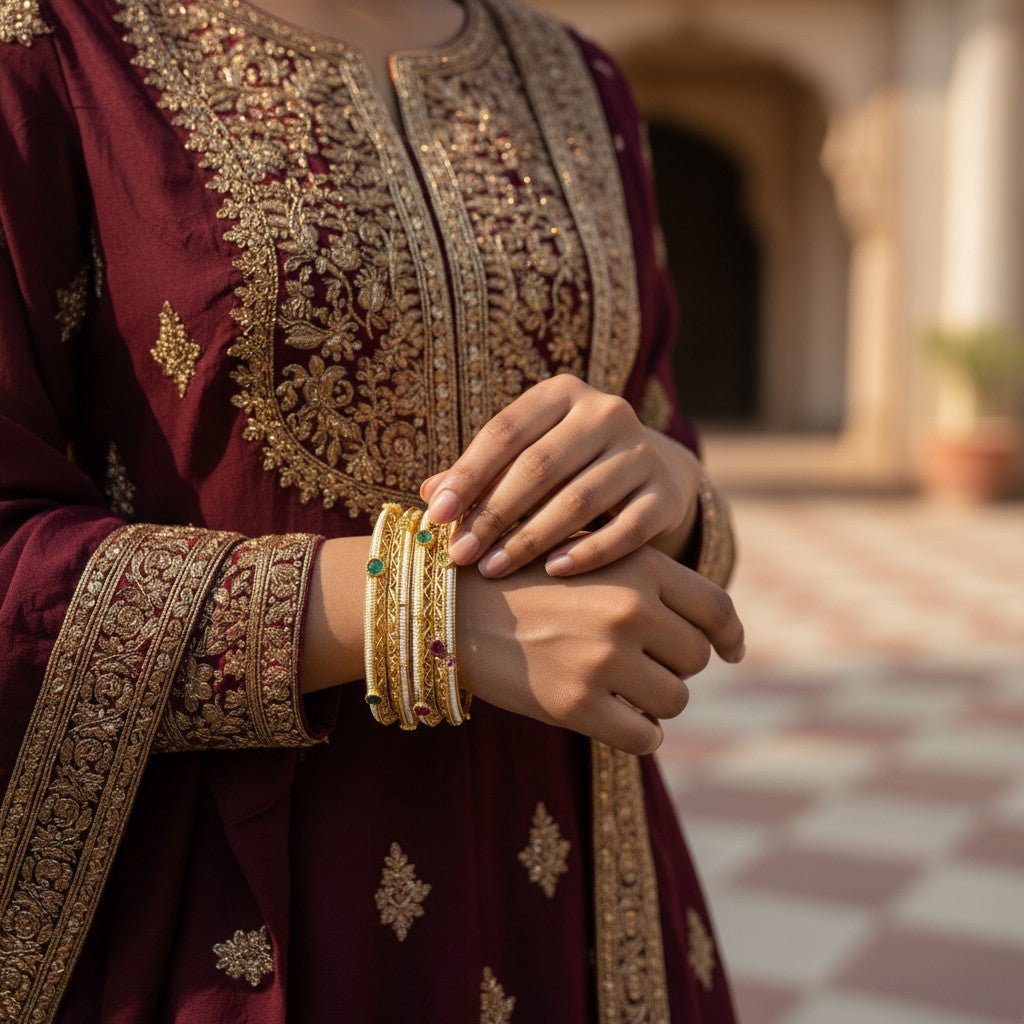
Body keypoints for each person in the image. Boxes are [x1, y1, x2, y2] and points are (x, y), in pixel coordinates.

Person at [0, 0, 745, 1019]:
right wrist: (423, 613)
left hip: (572, 885)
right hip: (218, 908)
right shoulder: (48, 50)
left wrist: (664, 491)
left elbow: (661, 433)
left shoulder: (581, 80)